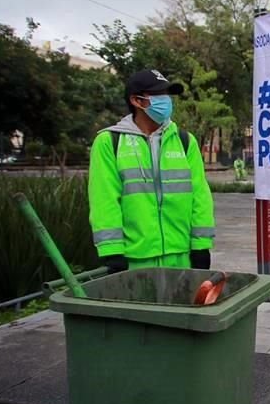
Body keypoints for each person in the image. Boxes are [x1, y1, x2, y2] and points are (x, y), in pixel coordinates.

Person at [88, 69, 215, 273]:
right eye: (158, 95)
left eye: (167, 95)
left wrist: (201, 246)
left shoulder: (184, 141)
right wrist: (112, 252)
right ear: (137, 101)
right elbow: (104, 200)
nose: (166, 101)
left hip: (181, 257)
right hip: (134, 260)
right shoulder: (109, 142)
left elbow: (200, 195)